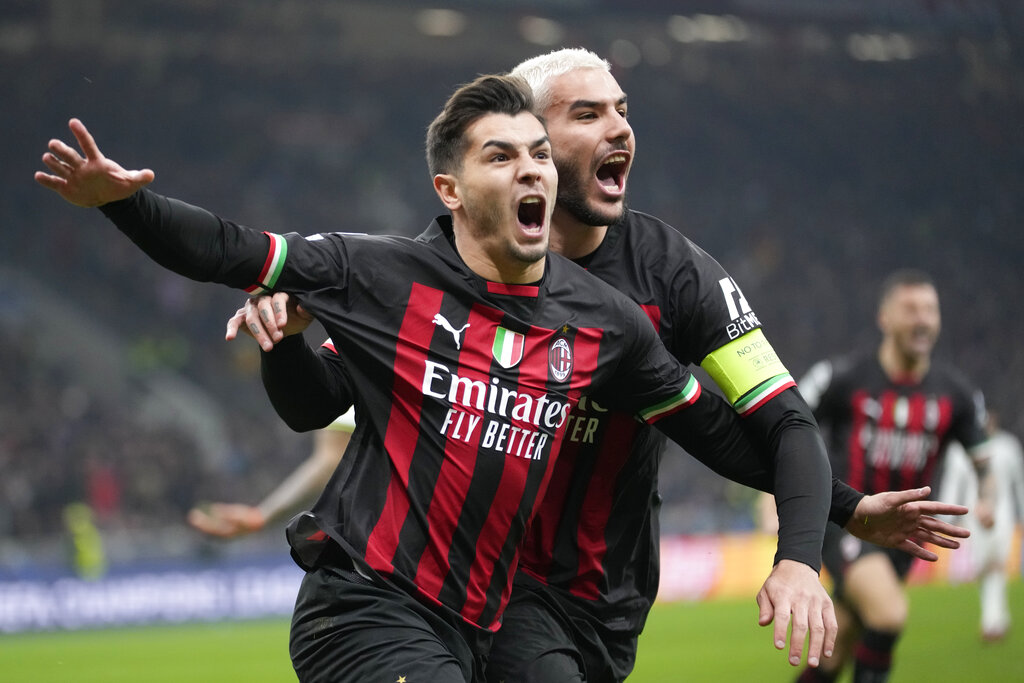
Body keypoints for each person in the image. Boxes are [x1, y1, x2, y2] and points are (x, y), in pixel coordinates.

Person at [35, 75, 836, 683]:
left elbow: (717, 429)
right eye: (500, 156)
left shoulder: (607, 322)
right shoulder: (383, 276)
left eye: (535, 154)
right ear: (449, 190)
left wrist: (840, 514)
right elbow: (230, 248)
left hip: (482, 624)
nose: (529, 170)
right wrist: (122, 205)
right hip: (363, 605)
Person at [233, 49, 972, 683]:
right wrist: (284, 339)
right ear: (530, 143)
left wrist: (809, 547)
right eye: (586, 114)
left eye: (621, 111)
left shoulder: (676, 276)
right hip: (478, 592)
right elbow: (323, 397)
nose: (619, 128)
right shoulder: (441, 270)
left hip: (602, 604)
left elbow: (773, 421)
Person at [794, 269, 996, 683]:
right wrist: (774, 495)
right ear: (885, 319)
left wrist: (987, 496)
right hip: (849, 521)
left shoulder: (954, 393)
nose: (922, 318)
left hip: (905, 535)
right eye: (910, 309)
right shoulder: (845, 378)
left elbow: (982, 461)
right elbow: (791, 430)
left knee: (839, 645)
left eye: (929, 309)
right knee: (887, 615)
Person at [187, 409, 354, 538]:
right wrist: (259, 517)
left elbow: (330, 461)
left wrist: (260, 516)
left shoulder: (348, 369)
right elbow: (330, 461)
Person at [938, 410, 1024, 642]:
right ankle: (998, 618)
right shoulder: (959, 451)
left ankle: (992, 621)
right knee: (984, 567)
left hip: (1003, 515)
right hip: (973, 515)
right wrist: (944, 519)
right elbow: (953, 485)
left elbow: (1019, 484)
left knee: (996, 564)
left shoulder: (1008, 447)